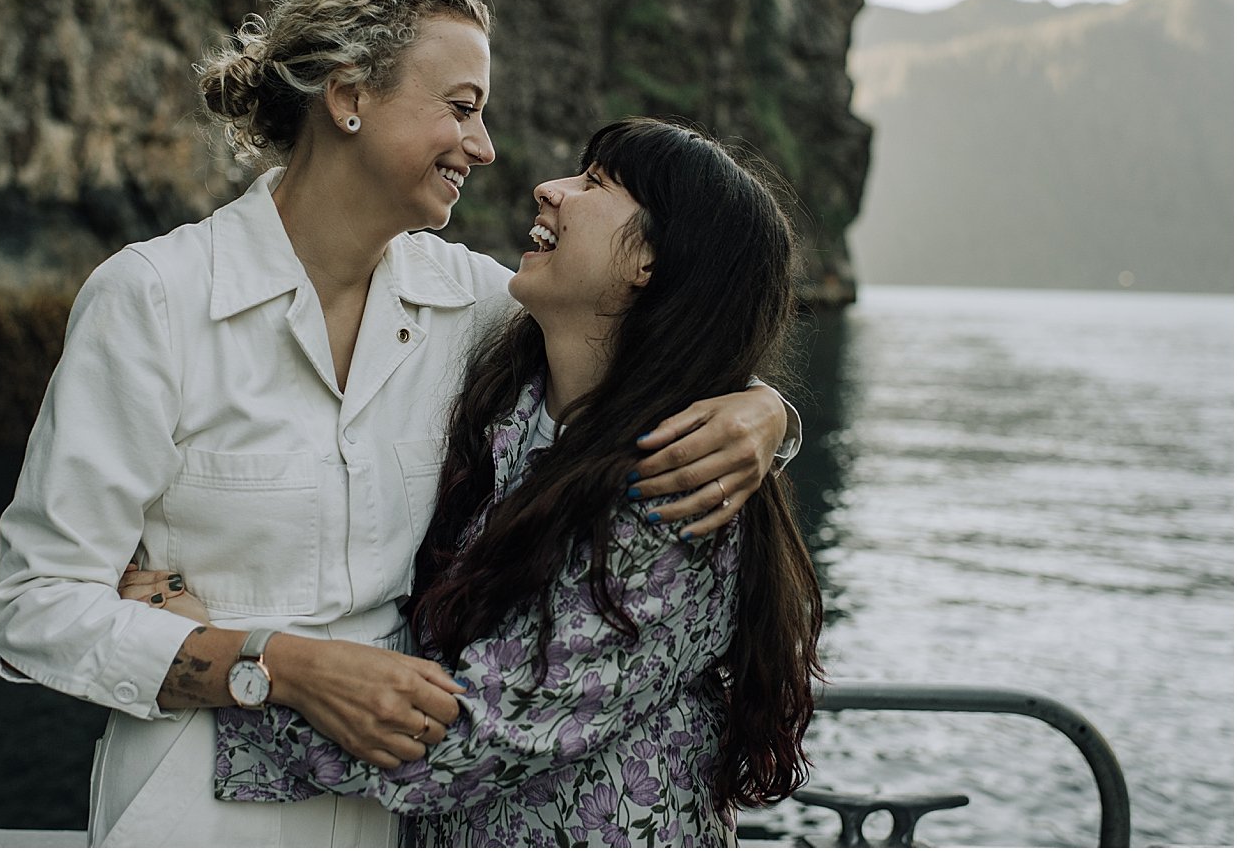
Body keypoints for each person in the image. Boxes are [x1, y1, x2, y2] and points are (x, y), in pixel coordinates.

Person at [0, 0, 800, 847]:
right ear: (348, 97)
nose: (485, 149)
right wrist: (263, 663)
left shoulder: (474, 303)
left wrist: (763, 412)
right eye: (460, 107)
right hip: (199, 797)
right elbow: (35, 607)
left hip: (401, 810)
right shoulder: (155, 298)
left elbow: (648, 335)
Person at [128, 117, 824, 847]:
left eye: (594, 184)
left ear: (649, 261)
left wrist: (228, 661)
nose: (547, 189)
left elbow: (462, 742)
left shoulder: (671, 491)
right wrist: (769, 406)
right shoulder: (510, 402)